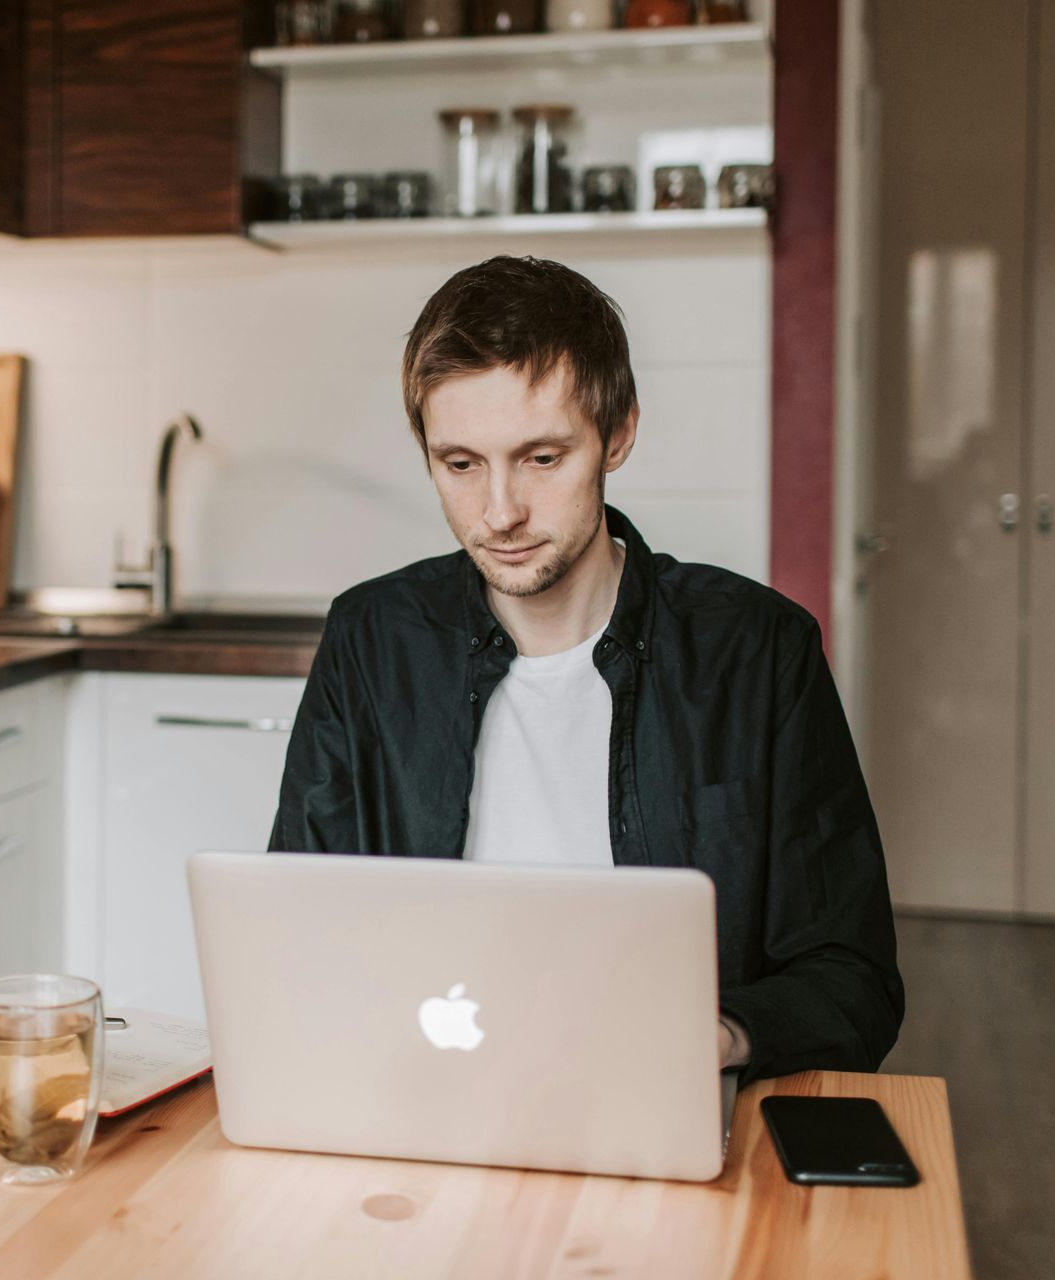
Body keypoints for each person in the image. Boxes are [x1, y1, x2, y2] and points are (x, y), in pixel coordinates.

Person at [269, 255, 903, 1082]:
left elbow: (853, 984)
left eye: (541, 458)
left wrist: (714, 1038)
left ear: (620, 432)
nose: (500, 513)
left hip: (661, 1104)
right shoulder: (371, 639)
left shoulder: (758, 651)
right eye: (460, 464)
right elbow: (294, 934)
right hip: (420, 1093)